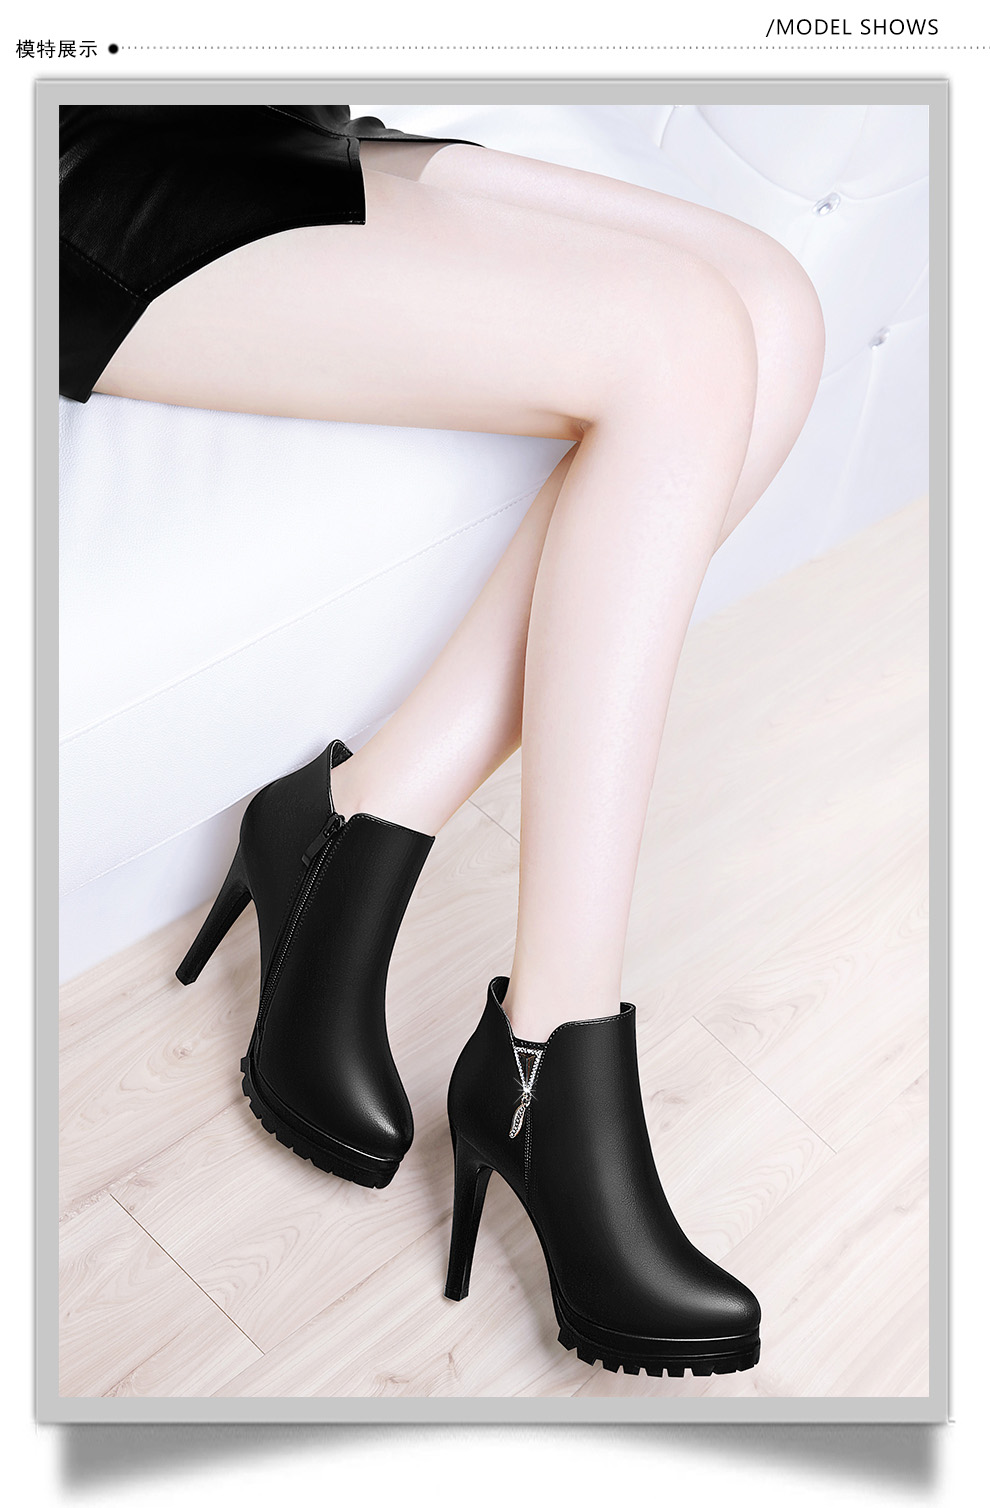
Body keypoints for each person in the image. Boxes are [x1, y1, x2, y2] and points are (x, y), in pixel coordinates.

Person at [60, 103, 826, 1380]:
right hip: (76, 161)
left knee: (773, 307)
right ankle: (547, 1050)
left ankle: (355, 820)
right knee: (682, 348)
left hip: (245, 118)